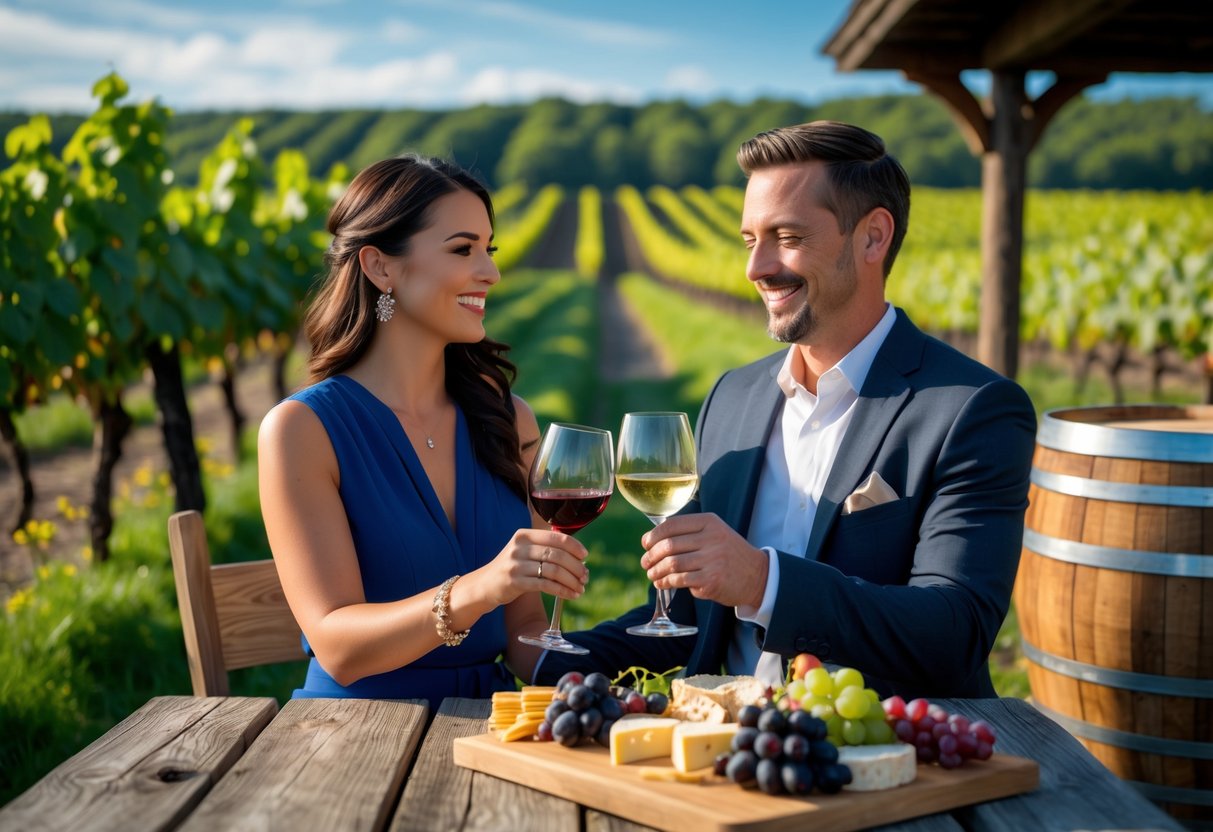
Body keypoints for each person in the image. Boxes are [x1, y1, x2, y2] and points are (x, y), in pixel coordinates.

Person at [537, 121, 1036, 699]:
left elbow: (954, 635)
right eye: (751, 240)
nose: (756, 269)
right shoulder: (733, 398)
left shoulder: (972, 411)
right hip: (736, 755)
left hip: (884, 765)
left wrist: (761, 580)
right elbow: (689, 621)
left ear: (873, 237)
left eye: (787, 237)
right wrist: (537, 658)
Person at [258, 154, 589, 702]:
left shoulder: (509, 420)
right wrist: (479, 589)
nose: (490, 272)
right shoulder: (302, 430)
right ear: (380, 267)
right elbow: (338, 647)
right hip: (355, 734)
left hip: (491, 725)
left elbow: (525, 631)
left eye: (489, 249)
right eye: (463, 249)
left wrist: (615, 668)